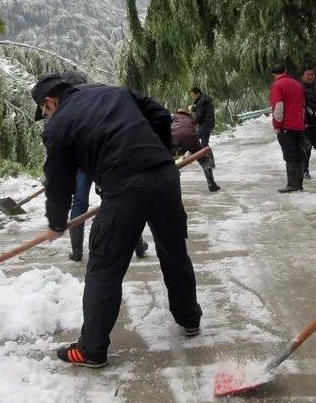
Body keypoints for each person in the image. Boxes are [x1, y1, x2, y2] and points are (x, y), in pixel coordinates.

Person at [32, 74, 202, 368]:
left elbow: (60, 180)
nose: (47, 116)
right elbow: (161, 114)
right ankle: (190, 319)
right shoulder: (115, 93)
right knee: (173, 250)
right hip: (164, 176)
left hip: (123, 187)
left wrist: (56, 220)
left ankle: (91, 349)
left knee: (103, 268)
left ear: (50, 101)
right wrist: (161, 153)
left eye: (45, 111)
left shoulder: (58, 124)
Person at [59, 70, 148, 261]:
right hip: (110, 155)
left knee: (79, 202)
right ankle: (139, 247)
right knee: (120, 199)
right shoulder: (103, 93)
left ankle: (76, 252)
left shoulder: (65, 103)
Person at [269, 64, 306, 193]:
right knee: (299, 153)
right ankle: (299, 183)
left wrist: (277, 125)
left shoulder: (277, 85)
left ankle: (292, 184)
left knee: (290, 155)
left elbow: (278, 107)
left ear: (273, 74)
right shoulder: (297, 84)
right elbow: (302, 106)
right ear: (285, 70)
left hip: (286, 126)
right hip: (299, 125)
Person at [172, 108, 220, 192]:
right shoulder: (190, 119)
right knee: (204, 160)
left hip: (174, 139)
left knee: (166, 158)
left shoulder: (172, 116)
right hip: (191, 139)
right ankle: (211, 184)